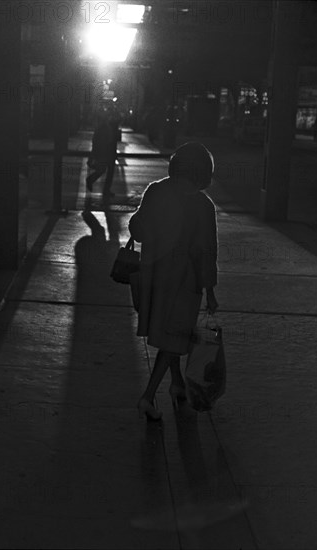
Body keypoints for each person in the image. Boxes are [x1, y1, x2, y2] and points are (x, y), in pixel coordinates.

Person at [129, 141, 219, 421]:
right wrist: (210, 291)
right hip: (185, 282)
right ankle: (148, 396)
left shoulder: (156, 191)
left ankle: (177, 384)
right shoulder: (204, 207)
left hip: (154, 277)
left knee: (171, 336)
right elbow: (207, 253)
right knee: (174, 339)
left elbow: (138, 229)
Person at [86, 108, 118, 197]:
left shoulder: (103, 127)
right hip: (106, 152)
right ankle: (103, 188)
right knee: (106, 170)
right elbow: (108, 141)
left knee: (104, 169)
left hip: (105, 151)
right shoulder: (105, 127)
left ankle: (101, 186)